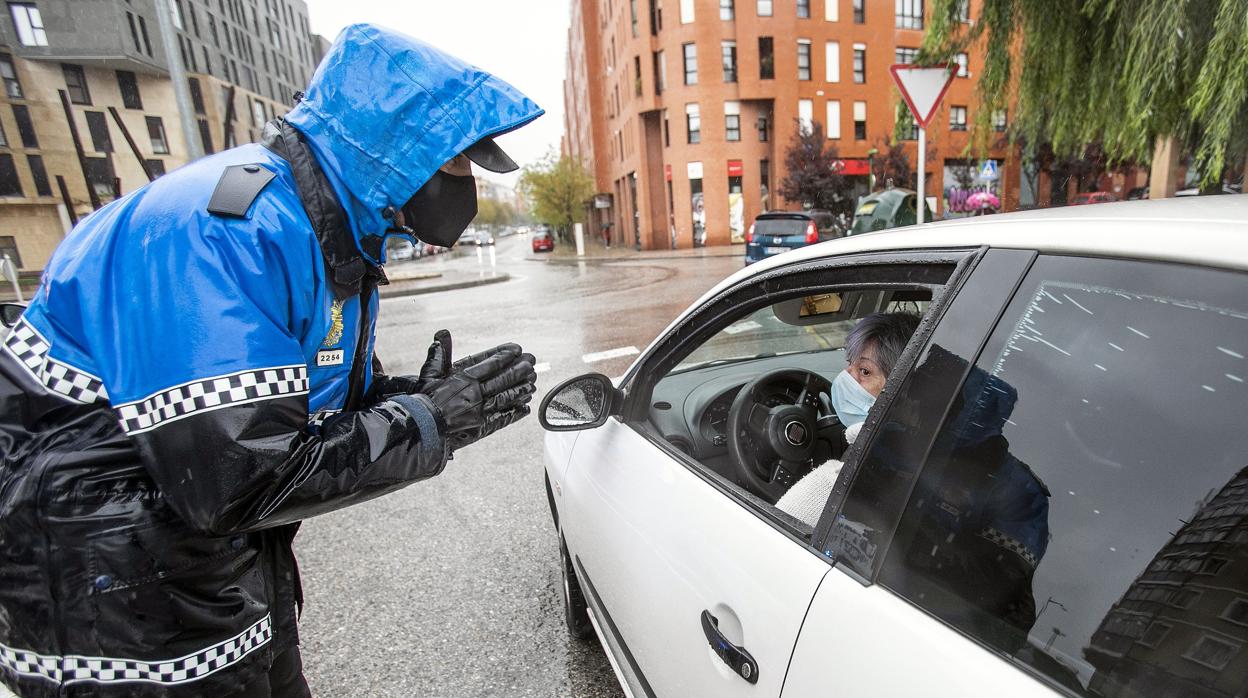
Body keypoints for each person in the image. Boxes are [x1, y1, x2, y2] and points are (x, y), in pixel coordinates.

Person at [0, 25, 541, 698]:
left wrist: (410, 398)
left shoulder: (323, 231)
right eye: (459, 165)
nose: (468, 188)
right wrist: (426, 421)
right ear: (398, 152)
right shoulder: (223, 230)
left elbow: (294, 416)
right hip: (118, 602)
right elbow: (238, 478)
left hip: (210, 574)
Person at [777, 312, 920, 525]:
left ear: (907, 390)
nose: (845, 377)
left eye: (864, 371)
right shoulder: (936, 447)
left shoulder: (832, 484)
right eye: (849, 363)